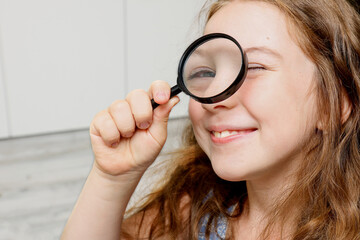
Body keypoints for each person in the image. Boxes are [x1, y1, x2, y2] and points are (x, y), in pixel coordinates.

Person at [61, 0, 360, 239]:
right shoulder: (196, 207)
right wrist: (112, 179)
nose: (215, 94)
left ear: (333, 105)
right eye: (207, 72)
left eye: (254, 67)